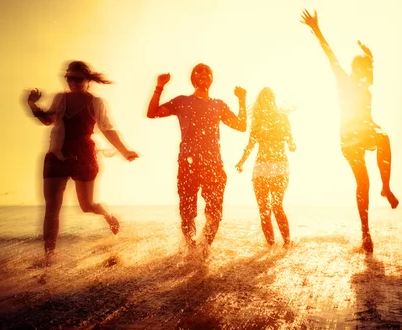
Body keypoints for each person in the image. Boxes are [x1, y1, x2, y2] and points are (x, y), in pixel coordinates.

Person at [300, 9, 398, 253]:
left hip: (366, 129)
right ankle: (365, 233)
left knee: (384, 137)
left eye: (364, 70)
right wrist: (317, 30)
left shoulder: (366, 84)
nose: (361, 73)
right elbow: (330, 56)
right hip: (349, 136)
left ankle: (385, 186)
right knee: (362, 182)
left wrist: (370, 59)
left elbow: (369, 71)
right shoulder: (344, 80)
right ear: (352, 71)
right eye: (358, 69)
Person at [26, 61, 138, 257]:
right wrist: (31, 104)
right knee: (52, 209)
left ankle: (108, 216)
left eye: (77, 79)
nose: (72, 82)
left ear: (88, 80)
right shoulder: (61, 99)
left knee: (87, 206)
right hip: (57, 155)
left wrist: (125, 151)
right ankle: (48, 258)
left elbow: (107, 130)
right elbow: (48, 121)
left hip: (83, 156)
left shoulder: (96, 102)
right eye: (69, 78)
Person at [147, 64, 247, 250]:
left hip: (213, 164)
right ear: (193, 79)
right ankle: (191, 250)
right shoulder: (182, 101)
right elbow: (152, 113)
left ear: (211, 79)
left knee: (215, 213)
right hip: (188, 163)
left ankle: (203, 249)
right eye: (199, 72)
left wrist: (242, 100)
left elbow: (241, 126)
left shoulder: (218, 105)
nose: (204, 74)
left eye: (207, 72)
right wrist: (159, 87)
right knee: (187, 213)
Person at [236, 88, 296, 247]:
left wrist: (292, 144)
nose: (268, 100)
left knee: (277, 205)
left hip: (279, 166)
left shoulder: (282, 118)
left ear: (273, 99)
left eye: (270, 97)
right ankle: (270, 247)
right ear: (260, 101)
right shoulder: (257, 121)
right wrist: (241, 161)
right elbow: (250, 145)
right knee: (264, 209)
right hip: (261, 167)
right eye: (264, 97)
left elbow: (291, 141)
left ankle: (287, 243)